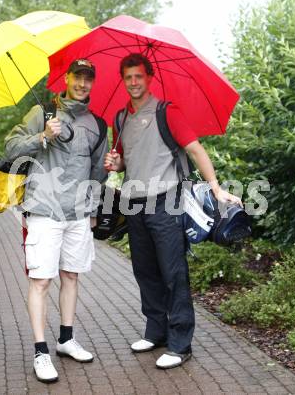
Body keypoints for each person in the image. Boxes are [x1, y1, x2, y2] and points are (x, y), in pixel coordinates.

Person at [104, 53, 242, 370]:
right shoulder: (120, 118)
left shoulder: (168, 112)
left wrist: (217, 188)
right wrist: (115, 163)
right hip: (134, 203)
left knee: (173, 273)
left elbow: (195, 149)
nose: (134, 82)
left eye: (139, 76)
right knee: (145, 271)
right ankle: (156, 332)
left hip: (166, 201)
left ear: (149, 78)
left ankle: (181, 344)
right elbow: (124, 160)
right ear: (123, 81)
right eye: (128, 77)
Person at [5, 59, 108, 383]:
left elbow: (96, 174)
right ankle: (40, 351)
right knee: (41, 281)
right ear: (66, 78)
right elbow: (10, 149)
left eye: (88, 78)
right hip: (44, 211)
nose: (82, 83)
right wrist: (42, 137)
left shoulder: (98, 124)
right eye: (77, 76)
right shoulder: (43, 113)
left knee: (72, 277)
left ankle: (66, 339)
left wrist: (109, 169)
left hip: (77, 215)